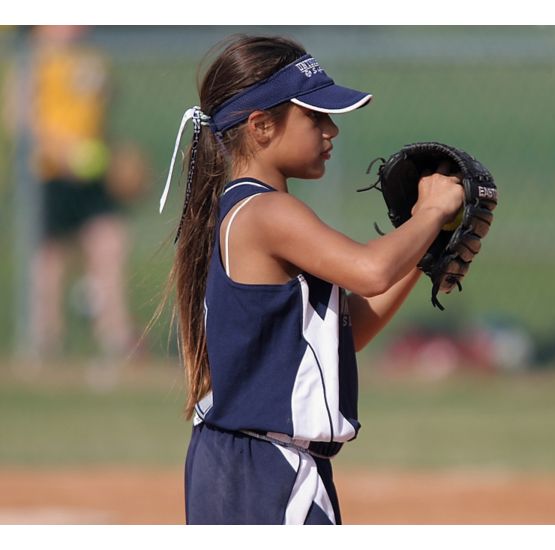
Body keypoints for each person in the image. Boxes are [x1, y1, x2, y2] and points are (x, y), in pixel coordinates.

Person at [158, 34, 463, 525]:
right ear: (260, 126)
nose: (330, 131)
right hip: (263, 472)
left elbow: (351, 329)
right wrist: (429, 213)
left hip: (261, 465)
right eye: (315, 116)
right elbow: (370, 270)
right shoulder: (266, 212)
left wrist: (424, 248)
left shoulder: (255, 210)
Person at [13, 26, 139, 378]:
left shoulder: (90, 56)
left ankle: (115, 339)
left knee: (110, 244)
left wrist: (112, 154)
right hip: (48, 175)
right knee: (48, 261)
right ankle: (44, 343)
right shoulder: (33, 58)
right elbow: (22, 120)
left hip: (91, 174)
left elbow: (100, 111)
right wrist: (65, 151)